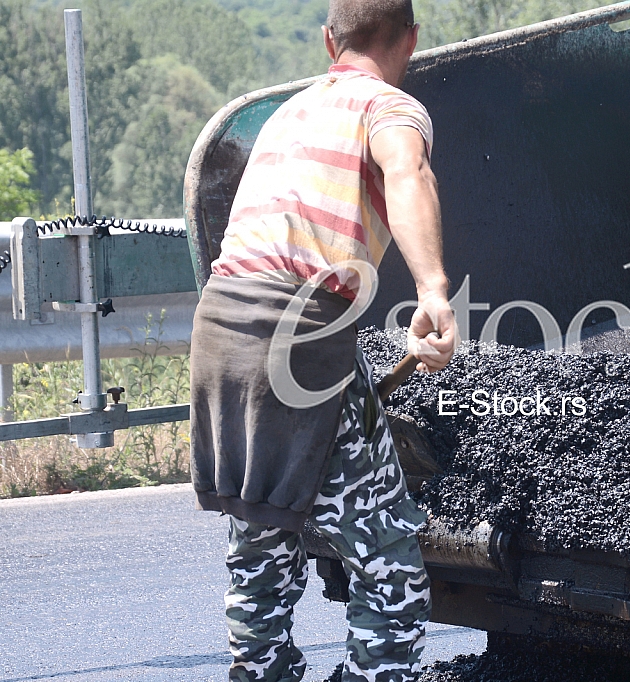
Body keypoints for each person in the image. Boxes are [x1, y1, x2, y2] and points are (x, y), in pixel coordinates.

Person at [188, 0, 457, 679]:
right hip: (299, 338)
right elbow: (407, 173)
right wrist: (431, 289)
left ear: (327, 41)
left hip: (222, 330)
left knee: (263, 543)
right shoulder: (386, 106)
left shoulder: (289, 112)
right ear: (412, 40)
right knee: (389, 568)